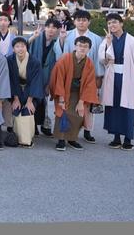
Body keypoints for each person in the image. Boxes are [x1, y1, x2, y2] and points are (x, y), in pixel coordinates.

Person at [99, 13, 134, 151]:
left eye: (114, 22)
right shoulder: (107, 40)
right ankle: (116, 137)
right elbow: (103, 59)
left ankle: (128, 139)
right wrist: (109, 44)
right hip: (113, 77)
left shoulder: (133, 41)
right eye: (109, 23)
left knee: (128, 107)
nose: (112, 25)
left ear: (121, 23)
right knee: (113, 106)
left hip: (129, 77)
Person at [55, 9, 103, 143]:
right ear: (74, 21)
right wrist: (61, 40)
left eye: (84, 20)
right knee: (67, 106)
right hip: (69, 76)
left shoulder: (96, 38)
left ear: (89, 22)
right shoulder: (67, 34)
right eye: (79, 20)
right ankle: (65, 135)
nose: (81, 23)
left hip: (88, 76)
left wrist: (98, 76)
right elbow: (59, 54)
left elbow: (98, 59)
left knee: (87, 105)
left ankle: (87, 130)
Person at [51, 36, 100, 152]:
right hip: (64, 90)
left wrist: (82, 101)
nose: (82, 48)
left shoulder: (89, 63)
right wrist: (61, 98)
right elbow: (58, 78)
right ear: (75, 46)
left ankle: (72, 139)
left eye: (85, 47)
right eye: (80, 45)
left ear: (89, 49)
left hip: (79, 92)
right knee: (63, 113)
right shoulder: (65, 59)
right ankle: (61, 140)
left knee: (78, 114)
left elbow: (89, 84)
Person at [3, 37, 43, 148]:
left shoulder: (34, 62)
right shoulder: (9, 60)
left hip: (30, 91)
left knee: (27, 110)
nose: (20, 49)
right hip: (16, 90)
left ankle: (27, 139)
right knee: (16, 110)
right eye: (17, 46)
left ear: (26, 47)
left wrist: (30, 100)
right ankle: (17, 138)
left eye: (23, 46)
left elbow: (36, 81)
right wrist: (15, 98)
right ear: (13, 49)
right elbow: (11, 79)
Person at [28, 18, 61, 137]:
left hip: (47, 76)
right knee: (32, 100)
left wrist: (49, 84)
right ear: (45, 28)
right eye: (49, 27)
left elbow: (57, 61)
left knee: (43, 101)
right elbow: (23, 47)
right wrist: (33, 37)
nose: (51, 30)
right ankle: (33, 125)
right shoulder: (36, 37)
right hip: (33, 75)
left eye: (54, 28)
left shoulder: (57, 42)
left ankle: (43, 125)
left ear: (57, 30)